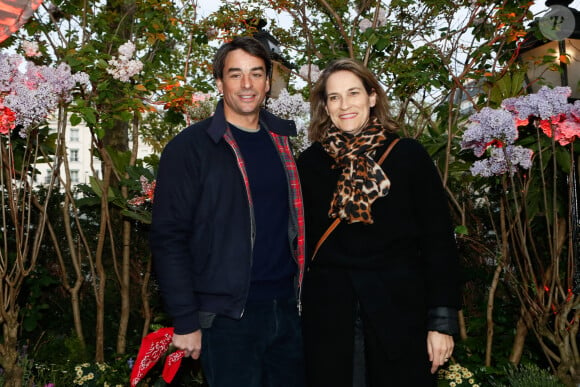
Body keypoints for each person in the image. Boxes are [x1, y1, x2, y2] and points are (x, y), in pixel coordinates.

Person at [149, 36, 306, 387]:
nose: (247, 84)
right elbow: (168, 238)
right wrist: (186, 320)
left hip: (287, 309)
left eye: (256, 73)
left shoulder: (283, 142)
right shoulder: (189, 148)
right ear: (220, 83)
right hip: (226, 318)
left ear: (268, 82)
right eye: (235, 74)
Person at [297, 58, 462, 387]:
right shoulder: (310, 163)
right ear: (324, 106)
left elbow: (438, 241)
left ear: (372, 97)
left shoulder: (408, 156)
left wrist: (441, 323)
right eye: (334, 97)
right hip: (331, 316)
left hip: (399, 313)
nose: (345, 105)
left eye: (353, 93)